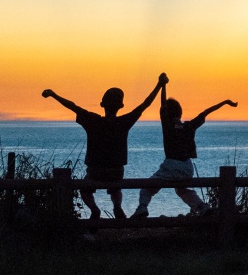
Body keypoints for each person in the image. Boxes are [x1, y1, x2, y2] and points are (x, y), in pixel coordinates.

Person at [42, 73, 167, 220]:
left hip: (96, 171)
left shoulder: (92, 121)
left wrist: (54, 94)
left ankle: (95, 209)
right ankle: (117, 207)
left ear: (102, 104)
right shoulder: (124, 122)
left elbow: (72, 106)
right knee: (116, 188)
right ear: (121, 106)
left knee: (85, 188)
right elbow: (145, 105)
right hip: (116, 172)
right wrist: (159, 85)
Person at [133, 90, 237, 219]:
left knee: (147, 188)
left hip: (171, 165)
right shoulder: (189, 126)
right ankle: (201, 206)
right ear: (180, 113)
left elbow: (163, 107)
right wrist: (225, 102)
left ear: (168, 114)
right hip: (187, 167)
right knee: (181, 190)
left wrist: (163, 85)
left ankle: (142, 207)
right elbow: (206, 112)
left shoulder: (168, 125)